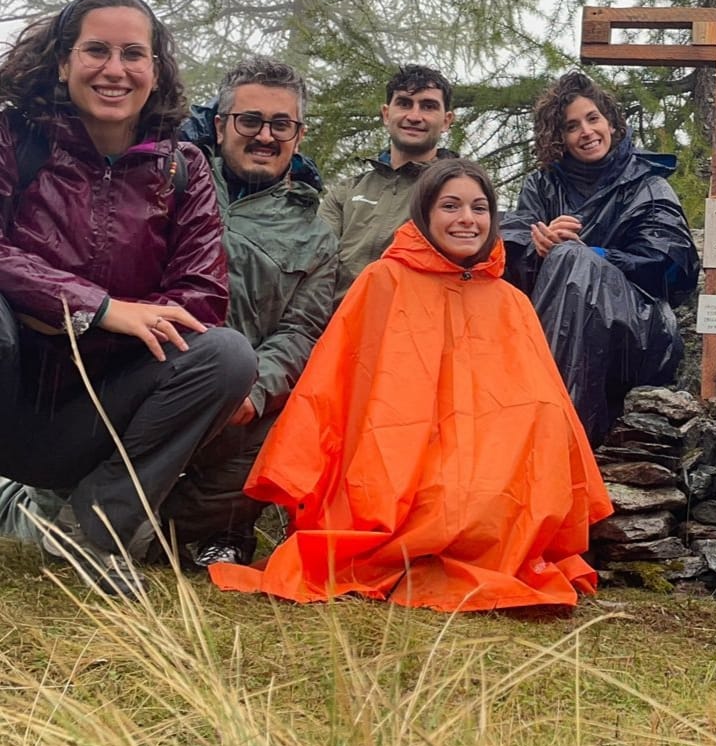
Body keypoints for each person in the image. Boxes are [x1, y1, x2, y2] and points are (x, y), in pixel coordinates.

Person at [209, 158, 613, 611]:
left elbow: (541, 401)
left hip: (489, 474)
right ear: (424, 213)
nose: (467, 219)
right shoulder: (383, 280)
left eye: (480, 208)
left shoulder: (511, 301)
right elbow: (336, 385)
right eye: (451, 206)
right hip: (398, 473)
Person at [0, 0, 255, 598]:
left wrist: (115, 328)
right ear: (63, 62)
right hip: (11, 392)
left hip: (103, 411)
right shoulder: (16, 136)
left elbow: (199, 299)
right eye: (96, 50)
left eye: (133, 54)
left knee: (226, 355)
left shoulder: (184, 168)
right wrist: (93, 309)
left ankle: (93, 533)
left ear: (156, 70)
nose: (114, 70)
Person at [161, 57, 339, 567]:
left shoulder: (314, 234)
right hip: (144, 377)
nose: (266, 135)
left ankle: (157, 530)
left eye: (281, 124)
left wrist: (255, 389)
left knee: (298, 437)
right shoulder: (170, 180)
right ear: (220, 126)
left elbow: (301, 328)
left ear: (298, 135)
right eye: (250, 120)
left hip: (233, 401)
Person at [500, 71, 699, 447]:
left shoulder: (646, 184)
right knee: (564, 258)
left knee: (573, 258)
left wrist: (598, 257)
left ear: (610, 121)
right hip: (552, 323)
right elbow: (506, 253)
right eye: (572, 126)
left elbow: (676, 268)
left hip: (637, 334)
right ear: (559, 137)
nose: (587, 132)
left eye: (593, 119)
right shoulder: (541, 186)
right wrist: (536, 248)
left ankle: (557, 439)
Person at [319, 64, 457, 291]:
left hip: (416, 320)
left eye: (428, 106)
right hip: (339, 320)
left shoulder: (460, 194)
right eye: (404, 103)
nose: (414, 116)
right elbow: (315, 269)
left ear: (446, 121)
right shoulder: (345, 194)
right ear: (386, 114)